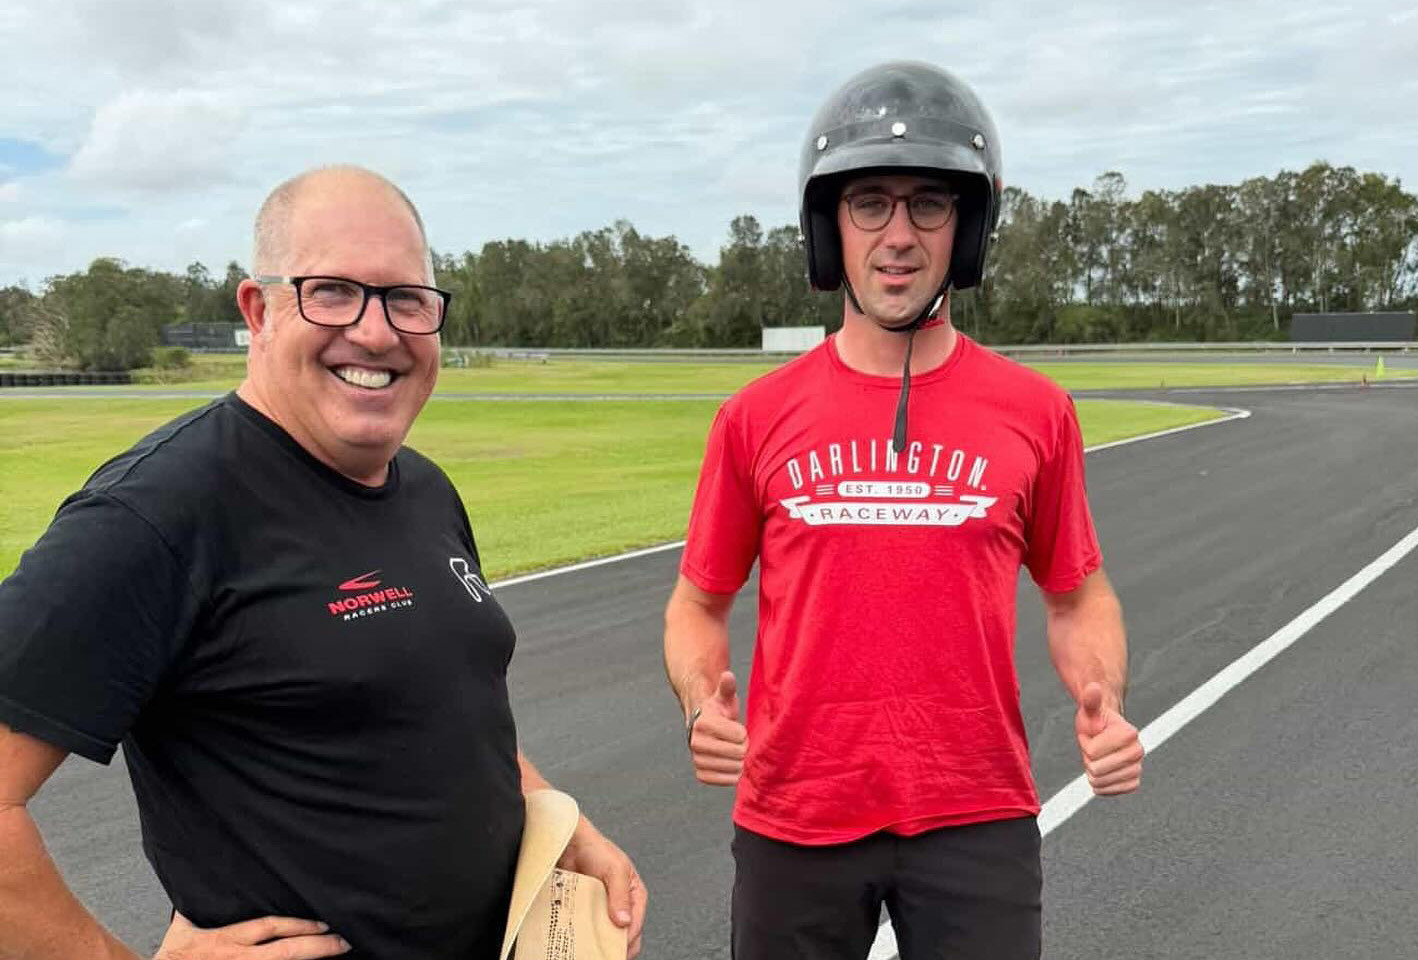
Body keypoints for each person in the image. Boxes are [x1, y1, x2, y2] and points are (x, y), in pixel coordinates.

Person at [0, 166, 646, 960]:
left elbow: (441, 708)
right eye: (332, 291)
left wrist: (552, 814)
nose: (376, 332)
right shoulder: (157, 513)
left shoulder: (425, 488)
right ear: (258, 310)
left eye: (406, 298)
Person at [663, 61, 1143, 959]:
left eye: (928, 204)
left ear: (968, 229)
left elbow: (1078, 595)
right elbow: (697, 603)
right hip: (795, 813)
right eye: (869, 204)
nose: (898, 235)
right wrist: (701, 703)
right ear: (828, 227)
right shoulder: (755, 418)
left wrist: (1105, 700)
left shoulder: (1037, 413)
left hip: (977, 811)